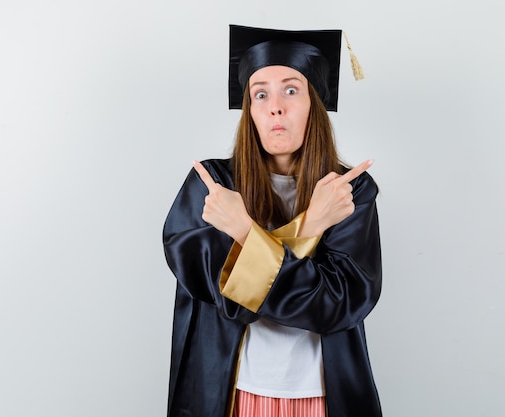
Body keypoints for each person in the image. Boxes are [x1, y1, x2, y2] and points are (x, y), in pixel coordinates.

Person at [163, 24, 382, 417]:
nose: (275, 107)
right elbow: (232, 304)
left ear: (314, 102)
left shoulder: (348, 192)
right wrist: (310, 226)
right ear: (249, 109)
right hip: (231, 393)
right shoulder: (213, 188)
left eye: (291, 90)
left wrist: (244, 234)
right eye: (260, 93)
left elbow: (335, 306)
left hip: (321, 395)